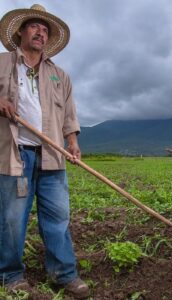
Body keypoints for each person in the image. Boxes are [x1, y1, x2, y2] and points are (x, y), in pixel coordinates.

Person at [0, 4, 89, 299]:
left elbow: (69, 117)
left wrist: (72, 142)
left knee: (58, 216)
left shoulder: (59, 75)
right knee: (13, 220)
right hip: (16, 155)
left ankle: (63, 273)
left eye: (45, 29)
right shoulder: (3, 64)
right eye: (35, 26)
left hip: (52, 156)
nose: (41, 32)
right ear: (21, 32)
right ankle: (11, 275)